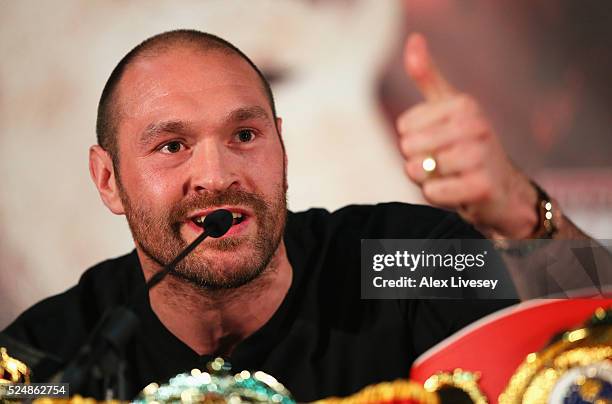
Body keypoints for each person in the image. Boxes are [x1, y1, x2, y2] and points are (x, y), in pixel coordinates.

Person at [1, 30, 605, 401]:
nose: (216, 175)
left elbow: (597, 318)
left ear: (280, 145)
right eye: (171, 146)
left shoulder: (393, 265)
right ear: (108, 179)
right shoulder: (55, 358)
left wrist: (524, 215)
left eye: (244, 134)